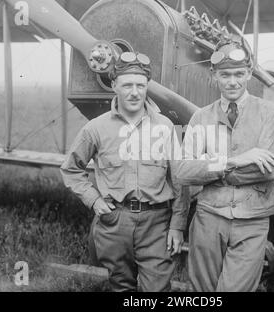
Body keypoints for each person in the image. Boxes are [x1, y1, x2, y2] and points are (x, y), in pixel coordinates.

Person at [60, 52, 188, 292]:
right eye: (127, 85)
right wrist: (94, 200)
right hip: (114, 221)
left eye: (141, 85)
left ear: (147, 86)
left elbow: (180, 180)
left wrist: (177, 225)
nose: (134, 92)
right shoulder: (96, 128)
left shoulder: (167, 126)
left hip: (156, 223)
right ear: (113, 85)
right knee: (120, 286)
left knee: (157, 290)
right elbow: (70, 169)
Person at [176, 38, 274, 291]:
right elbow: (182, 171)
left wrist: (208, 169)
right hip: (208, 218)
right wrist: (233, 161)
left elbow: (268, 170)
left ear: (249, 73)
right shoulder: (201, 117)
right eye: (225, 75)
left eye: (238, 74)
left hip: (253, 219)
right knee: (202, 291)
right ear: (214, 75)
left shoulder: (270, 112)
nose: (232, 81)